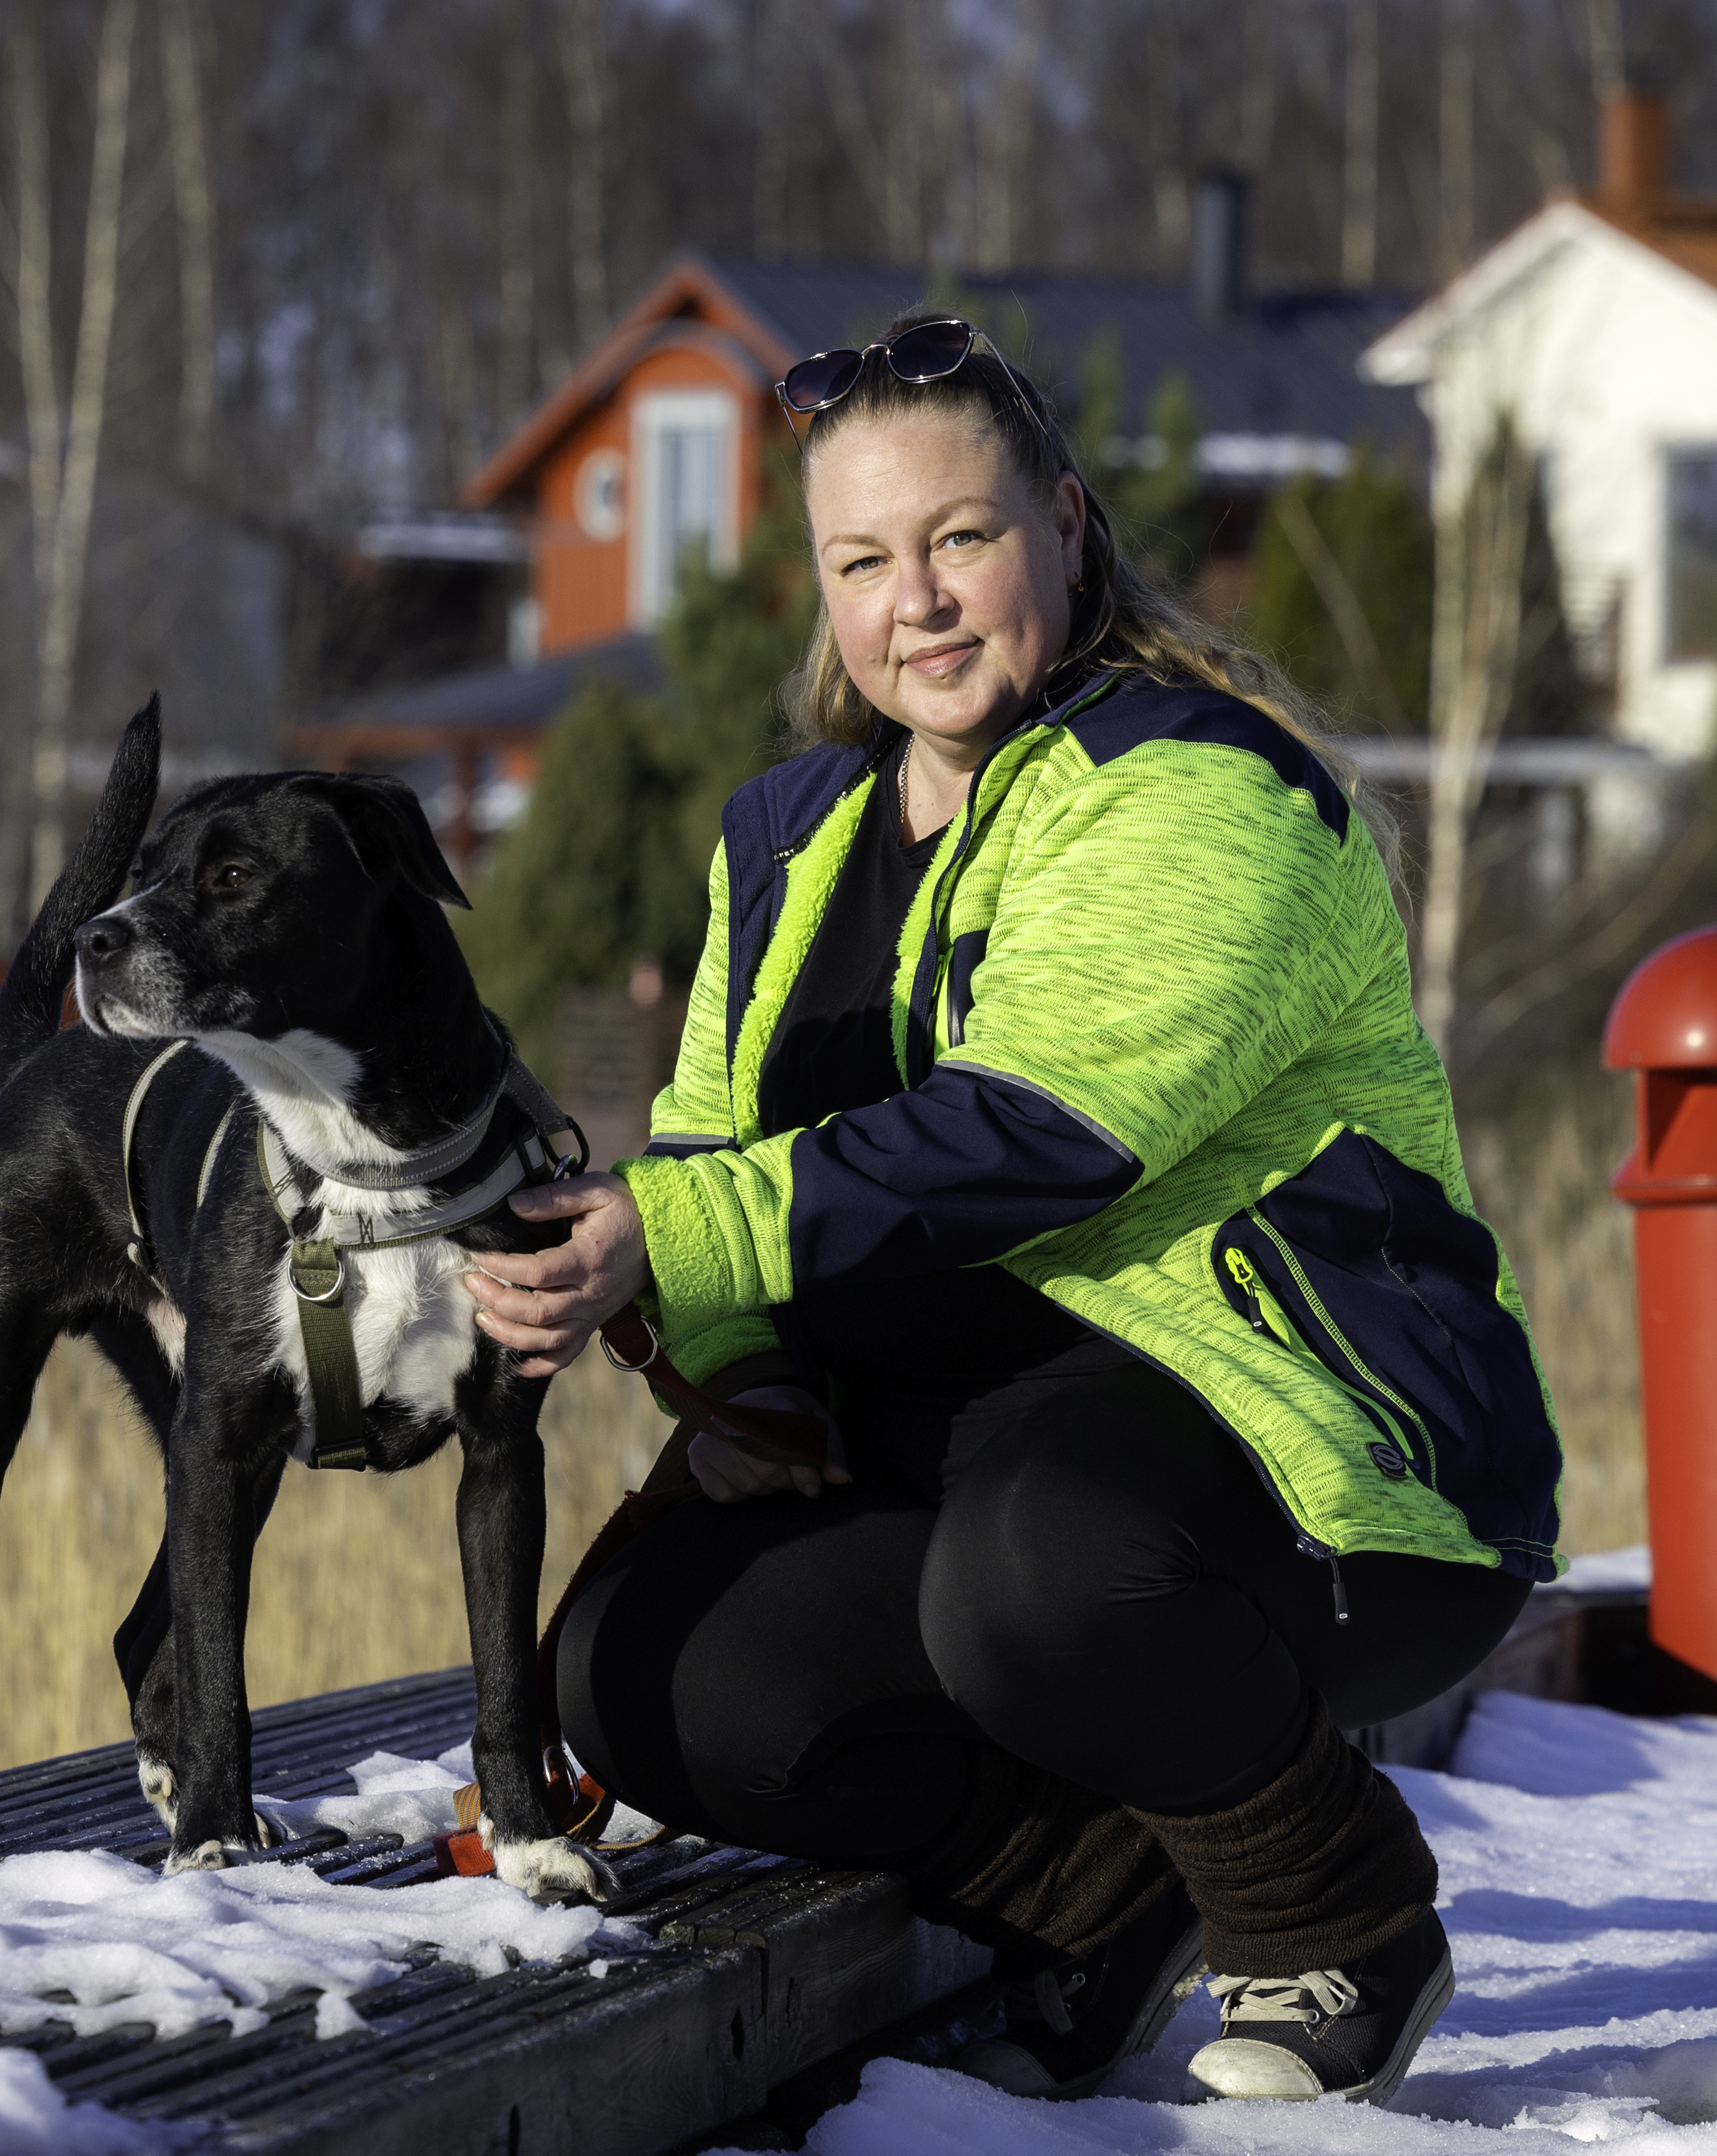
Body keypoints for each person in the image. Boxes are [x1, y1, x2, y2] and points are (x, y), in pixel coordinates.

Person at [464, 312, 1561, 2108]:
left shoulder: (1197, 787)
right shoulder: (789, 831)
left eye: (962, 538)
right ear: (818, 592)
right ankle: (1099, 1899)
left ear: (1061, 523)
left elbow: (1042, 1130)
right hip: (967, 1466)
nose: (921, 600)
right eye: (863, 560)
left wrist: (671, 1237)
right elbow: (708, 1129)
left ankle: (1328, 1912)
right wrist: (746, 1380)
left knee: (1039, 1566)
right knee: (650, 1673)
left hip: (1303, 1473)